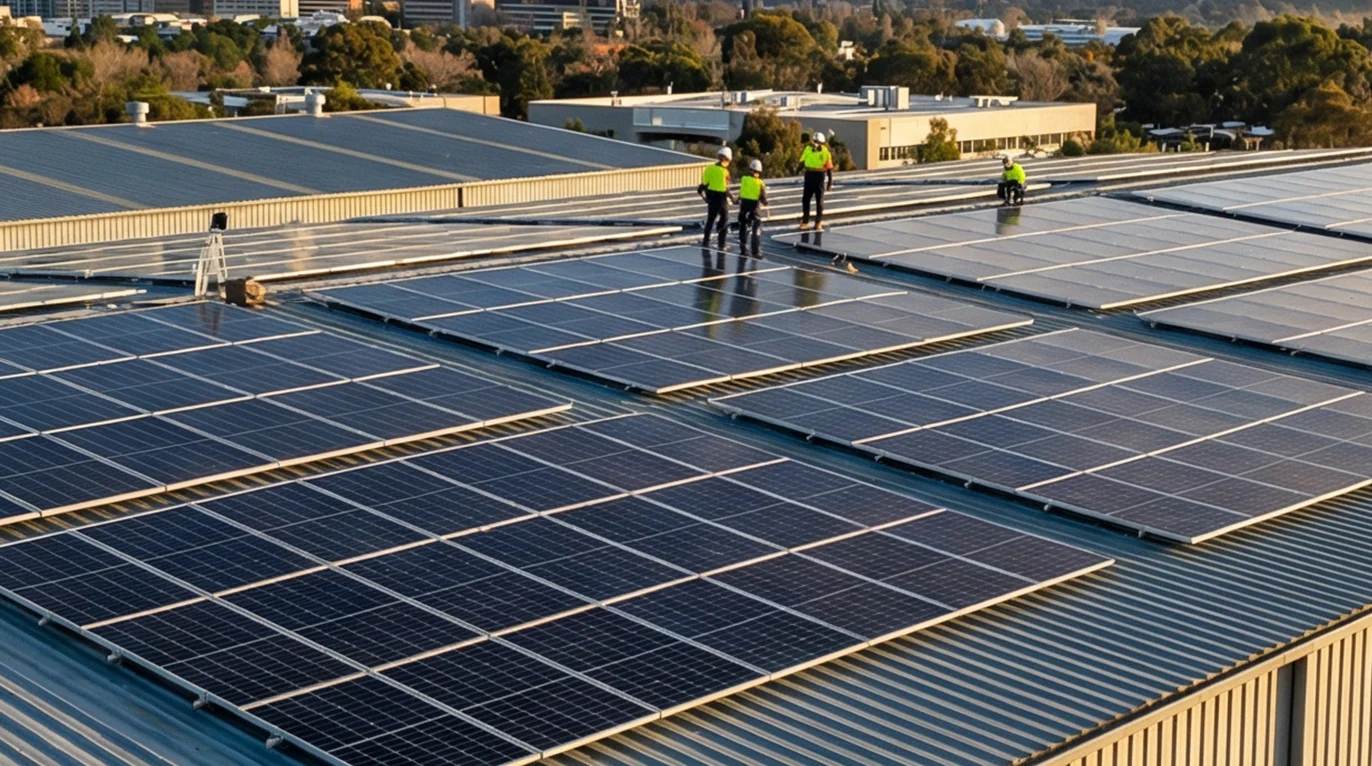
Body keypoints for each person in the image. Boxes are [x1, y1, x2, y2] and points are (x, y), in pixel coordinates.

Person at [697, 146, 735, 249]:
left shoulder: (709, 169)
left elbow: (704, 185)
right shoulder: (725, 172)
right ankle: (721, 244)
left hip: (712, 198)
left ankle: (706, 242)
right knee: (724, 220)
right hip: (722, 199)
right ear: (727, 160)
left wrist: (704, 196)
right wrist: (733, 199)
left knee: (710, 220)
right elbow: (726, 189)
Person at [799, 133, 834, 231]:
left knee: (819, 201)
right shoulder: (808, 149)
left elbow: (829, 168)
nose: (815, 143)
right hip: (809, 175)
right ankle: (805, 221)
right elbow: (802, 161)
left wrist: (830, 182)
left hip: (819, 176)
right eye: (814, 141)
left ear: (822, 143)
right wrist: (796, 170)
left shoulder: (825, 152)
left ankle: (818, 222)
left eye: (817, 142)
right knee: (806, 200)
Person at [737, 159, 768, 256]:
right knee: (756, 229)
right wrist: (765, 202)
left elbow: (741, 191)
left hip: (744, 206)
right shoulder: (760, 183)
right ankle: (756, 251)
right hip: (754, 208)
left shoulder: (744, 179)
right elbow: (762, 197)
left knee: (743, 227)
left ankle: (743, 249)